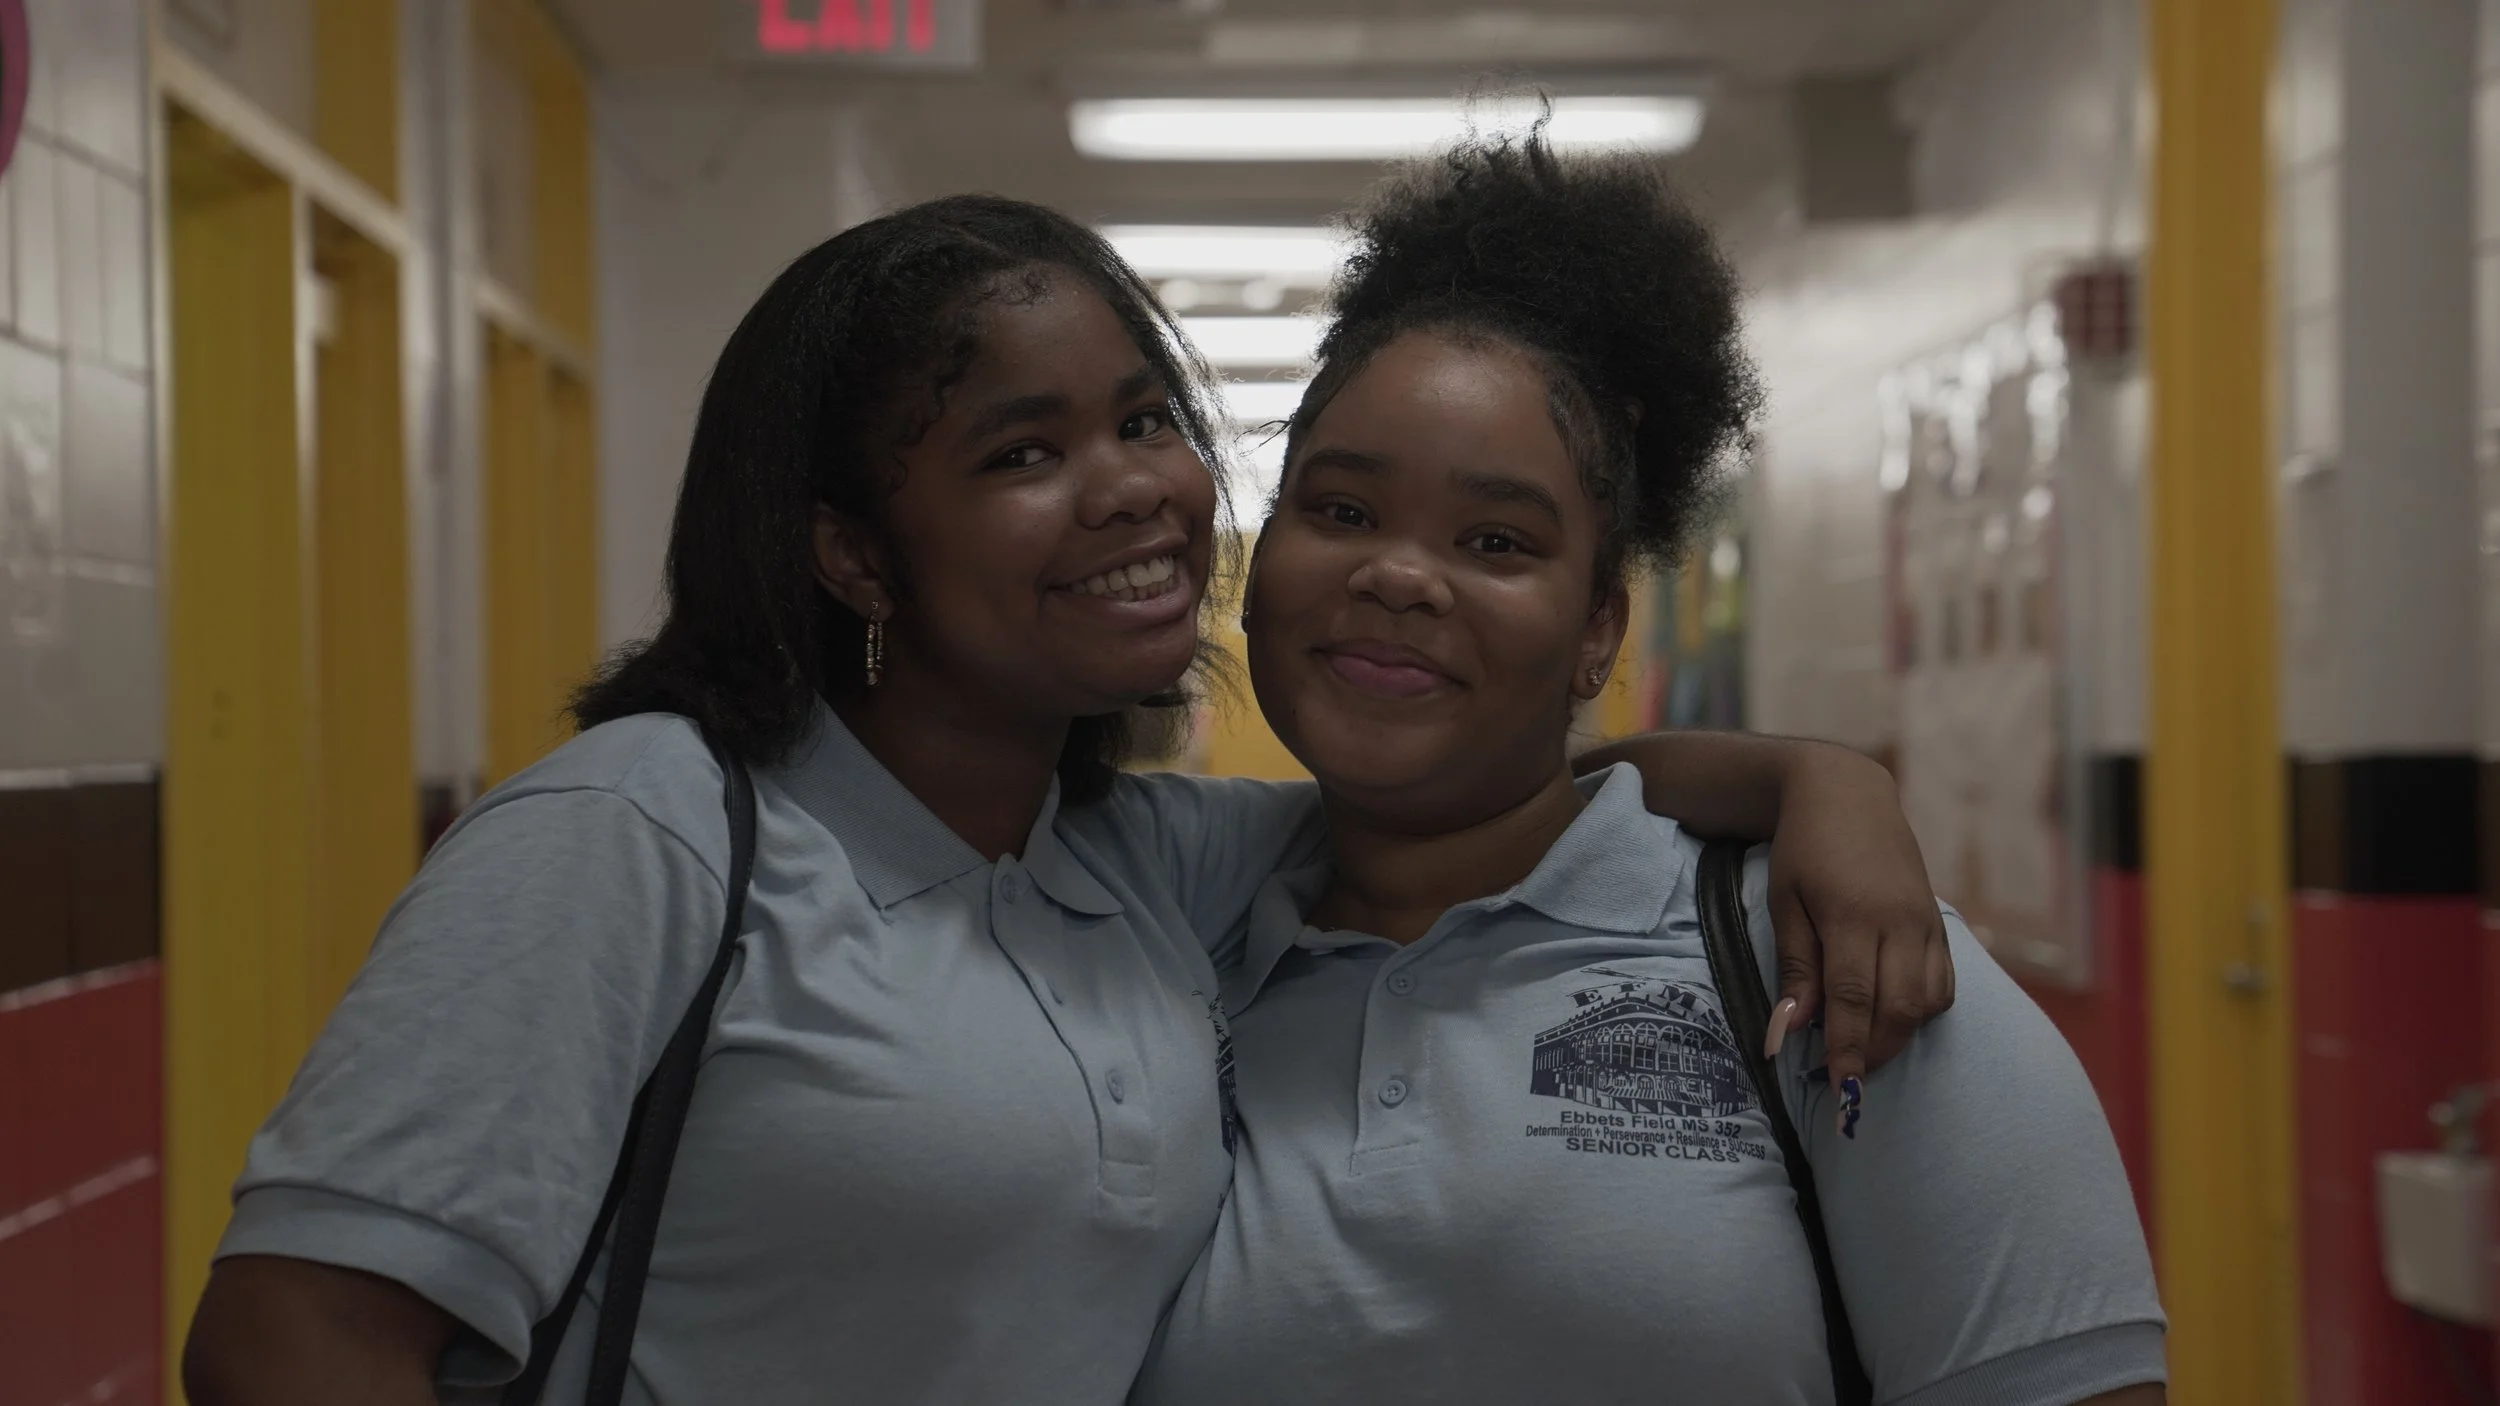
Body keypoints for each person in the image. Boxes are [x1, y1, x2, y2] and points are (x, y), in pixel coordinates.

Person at [181, 195, 1951, 1406]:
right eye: (1023, 454)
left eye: (1144, 419)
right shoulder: (647, 831)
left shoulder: (1139, 867)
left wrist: (1825, 781)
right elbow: (293, 1336)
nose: (1133, 493)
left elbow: (1516, 790)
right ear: (854, 552)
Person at [1130, 131, 2165, 1406]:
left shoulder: (1830, 965)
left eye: (1497, 538)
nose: (1397, 573)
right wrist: (1809, 770)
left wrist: (1819, 785)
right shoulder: (1157, 932)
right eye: (1339, 509)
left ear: (1596, 631)